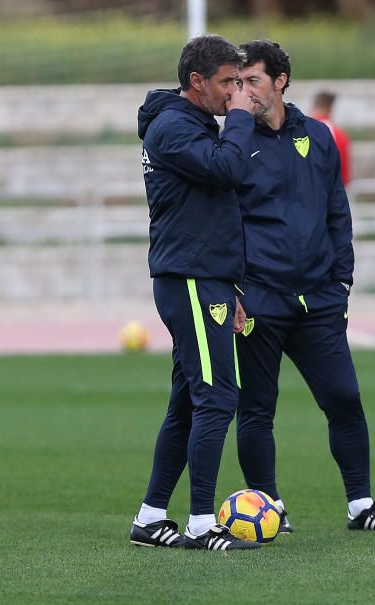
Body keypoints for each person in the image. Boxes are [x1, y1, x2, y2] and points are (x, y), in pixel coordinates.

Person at [234, 39, 375, 534]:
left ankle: (362, 505)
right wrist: (235, 289)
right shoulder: (232, 141)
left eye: (252, 80)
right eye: (238, 82)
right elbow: (223, 222)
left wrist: (342, 280)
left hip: (319, 299)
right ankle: (269, 507)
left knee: (344, 399)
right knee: (256, 409)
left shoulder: (318, 136)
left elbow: (338, 211)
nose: (243, 91)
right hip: (258, 300)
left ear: (280, 82)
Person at [128, 34, 261, 551]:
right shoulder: (173, 127)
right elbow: (229, 168)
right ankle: (203, 524)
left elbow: (215, 204)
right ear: (197, 82)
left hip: (206, 278)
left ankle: (150, 517)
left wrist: (229, 286)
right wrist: (245, 117)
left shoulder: (194, 125)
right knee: (217, 398)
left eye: (240, 83)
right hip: (189, 278)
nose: (235, 93)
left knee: (188, 402)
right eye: (228, 82)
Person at [310, 90, 352, 187]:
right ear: (331, 108)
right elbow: (344, 174)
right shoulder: (340, 135)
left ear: (313, 106)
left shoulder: (302, 130)